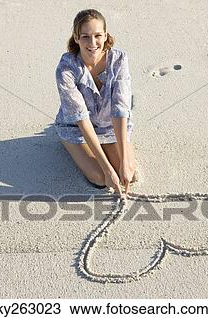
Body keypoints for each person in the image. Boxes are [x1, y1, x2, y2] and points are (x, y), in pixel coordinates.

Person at [54, 9, 137, 198]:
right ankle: (68, 144)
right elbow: (81, 120)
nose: (92, 43)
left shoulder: (119, 60)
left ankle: (119, 159)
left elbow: (120, 108)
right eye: (85, 37)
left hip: (109, 125)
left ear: (105, 35)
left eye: (98, 35)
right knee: (100, 178)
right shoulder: (65, 69)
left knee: (128, 173)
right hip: (77, 128)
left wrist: (123, 161)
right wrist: (107, 169)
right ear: (76, 37)